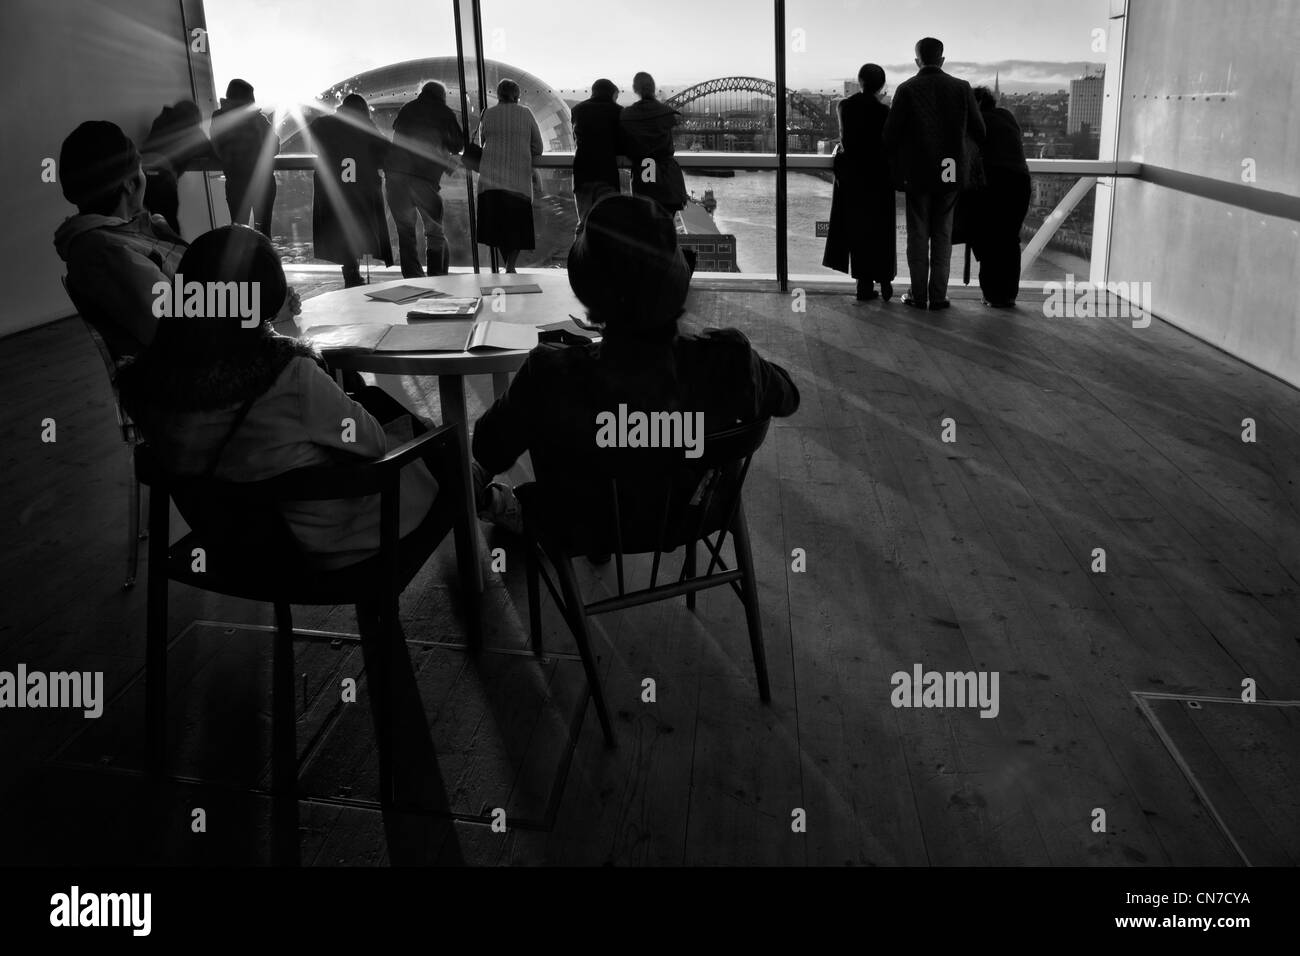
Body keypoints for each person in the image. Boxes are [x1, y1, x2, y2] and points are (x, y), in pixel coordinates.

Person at [471, 195, 800, 537]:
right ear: (676, 284)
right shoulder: (729, 361)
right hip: (695, 516)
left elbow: (487, 446)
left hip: (584, 524)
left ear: (588, 292)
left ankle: (516, 509)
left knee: (545, 494)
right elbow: (788, 398)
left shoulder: (548, 375)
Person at [118, 225, 438, 571]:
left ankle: (479, 488)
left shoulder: (146, 384)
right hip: (319, 544)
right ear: (270, 293)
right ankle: (477, 488)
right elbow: (373, 444)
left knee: (371, 396)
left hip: (228, 542)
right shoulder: (291, 375)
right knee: (438, 449)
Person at [54, 120, 188, 363]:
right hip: (196, 372)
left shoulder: (113, 238)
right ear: (128, 182)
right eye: (139, 166)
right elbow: (179, 329)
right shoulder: (109, 252)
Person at [882, 38, 985, 311]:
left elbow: (889, 136)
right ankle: (938, 297)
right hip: (950, 170)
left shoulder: (906, 90)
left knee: (917, 237)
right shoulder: (962, 88)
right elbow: (980, 131)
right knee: (943, 235)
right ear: (942, 60)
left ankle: (917, 295)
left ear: (917, 60)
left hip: (917, 173)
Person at [823, 63, 897, 302]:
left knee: (858, 231)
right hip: (878, 178)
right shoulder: (885, 112)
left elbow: (849, 138)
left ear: (859, 80)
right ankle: (885, 282)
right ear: (882, 85)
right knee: (881, 231)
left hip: (852, 178)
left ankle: (863, 288)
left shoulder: (843, 106)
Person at [306, 94, 394, 287]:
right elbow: (386, 152)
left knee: (340, 228)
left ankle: (350, 272)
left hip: (332, 189)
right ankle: (353, 272)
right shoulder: (365, 127)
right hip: (361, 189)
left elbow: (314, 148)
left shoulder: (321, 124)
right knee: (359, 226)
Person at [385, 81, 464, 277]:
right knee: (434, 232)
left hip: (395, 179)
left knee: (405, 233)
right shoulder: (444, 112)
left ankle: (413, 279)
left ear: (422, 93)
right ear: (442, 96)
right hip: (424, 179)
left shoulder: (407, 108)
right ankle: (436, 277)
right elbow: (457, 144)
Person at [967, 86, 1030, 308]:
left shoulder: (977, 122)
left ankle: (992, 294)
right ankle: (1009, 294)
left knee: (990, 239)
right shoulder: (1007, 117)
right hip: (1020, 183)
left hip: (993, 183)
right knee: (1011, 240)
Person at [475, 78, 543, 273]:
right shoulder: (525, 113)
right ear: (517, 95)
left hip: (490, 180)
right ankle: (510, 267)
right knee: (517, 226)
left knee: (497, 226)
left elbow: (483, 141)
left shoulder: (488, 113)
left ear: (498, 94)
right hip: (518, 181)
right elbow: (538, 147)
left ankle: (508, 267)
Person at [210, 79, 280, 237]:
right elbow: (275, 146)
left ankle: (242, 262)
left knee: (237, 233)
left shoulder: (218, 118)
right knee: (263, 231)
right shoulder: (258, 119)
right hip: (262, 183)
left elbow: (217, 147)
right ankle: (263, 260)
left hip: (235, 183)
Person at [619, 72, 687, 217]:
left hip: (644, 176)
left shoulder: (627, 115)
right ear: (653, 88)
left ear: (635, 89)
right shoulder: (667, 114)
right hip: (668, 178)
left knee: (646, 229)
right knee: (667, 230)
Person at [140, 100, 214, 233]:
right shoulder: (191, 130)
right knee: (169, 227)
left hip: (140, 173)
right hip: (161, 177)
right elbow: (211, 151)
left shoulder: (160, 121)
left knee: (150, 224)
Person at [570, 78, 623, 235]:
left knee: (584, 223)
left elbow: (576, 138)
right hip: (606, 173)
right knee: (608, 225)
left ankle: (578, 257)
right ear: (611, 93)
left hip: (582, 173)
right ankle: (604, 259)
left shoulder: (577, 110)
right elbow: (622, 143)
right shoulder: (618, 111)